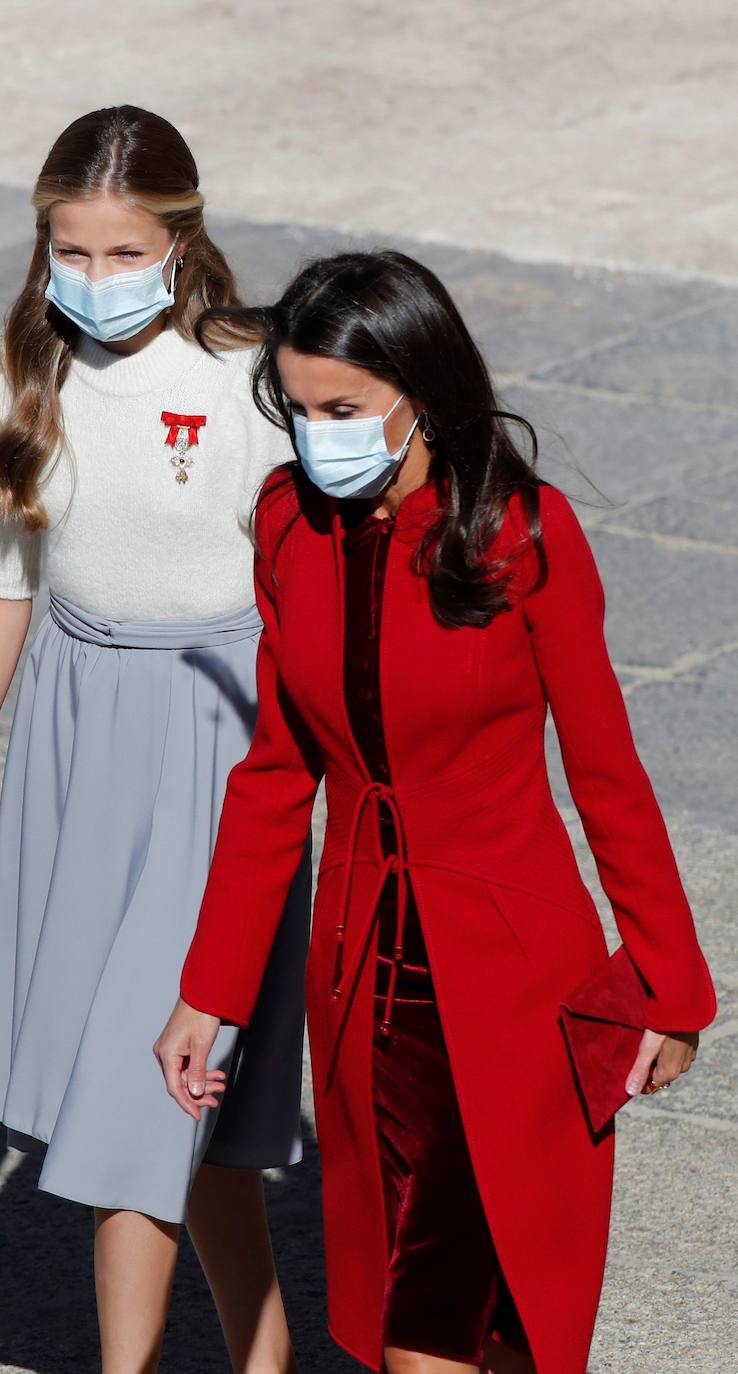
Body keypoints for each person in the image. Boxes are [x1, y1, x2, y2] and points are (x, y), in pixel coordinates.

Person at [154, 251, 717, 1374]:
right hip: (362, 994)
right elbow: (274, 775)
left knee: (442, 1324)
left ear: (420, 392)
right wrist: (205, 992)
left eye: (344, 409)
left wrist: (669, 982)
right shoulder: (284, 526)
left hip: (510, 993)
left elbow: (604, 773)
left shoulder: (521, 533)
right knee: (469, 1325)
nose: (317, 435)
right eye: (299, 408)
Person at [0, 105, 310, 1374]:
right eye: (68, 254)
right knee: (190, 1132)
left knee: (142, 1095)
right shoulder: (12, 378)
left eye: (123, 253)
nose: (92, 281)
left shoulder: (256, 376)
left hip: (224, 734)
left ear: (182, 243)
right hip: (80, 744)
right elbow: (0, 585)